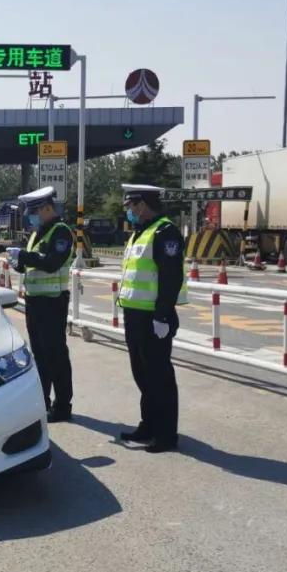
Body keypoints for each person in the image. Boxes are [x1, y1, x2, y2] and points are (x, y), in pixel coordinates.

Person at [116, 184, 188, 453]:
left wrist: (162, 315)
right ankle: (149, 424)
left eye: (132, 206)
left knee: (159, 377)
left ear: (143, 204)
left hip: (153, 318)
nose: (130, 212)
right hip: (135, 315)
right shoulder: (141, 232)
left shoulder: (164, 232)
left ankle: (166, 434)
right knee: (143, 375)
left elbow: (171, 278)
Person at [6, 186, 75, 423]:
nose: (30, 216)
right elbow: (31, 264)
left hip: (53, 302)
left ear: (47, 208)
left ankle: (63, 405)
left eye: (34, 211)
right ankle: (43, 401)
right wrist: (17, 261)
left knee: (56, 355)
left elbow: (51, 263)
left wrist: (24, 256)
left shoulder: (61, 232)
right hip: (35, 302)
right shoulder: (38, 233)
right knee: (40, 355)